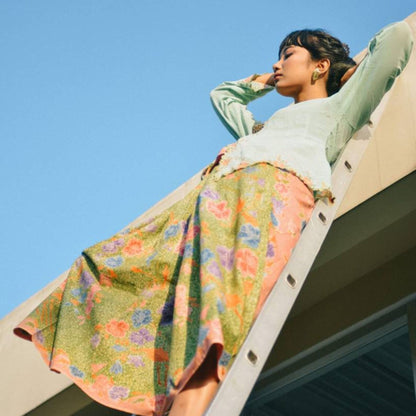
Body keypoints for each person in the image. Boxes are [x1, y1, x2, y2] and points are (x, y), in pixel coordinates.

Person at [14, 20, 413, 416]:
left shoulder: (337, 111)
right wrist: (262, 80)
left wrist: (347, 70)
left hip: (264, 200)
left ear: (319, 66)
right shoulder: (259, 130)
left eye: (288, 55)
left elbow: (397, 38)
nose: (277, 65)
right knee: (113, 268)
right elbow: (222, 97)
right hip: (206, 206)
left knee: (215, 317)